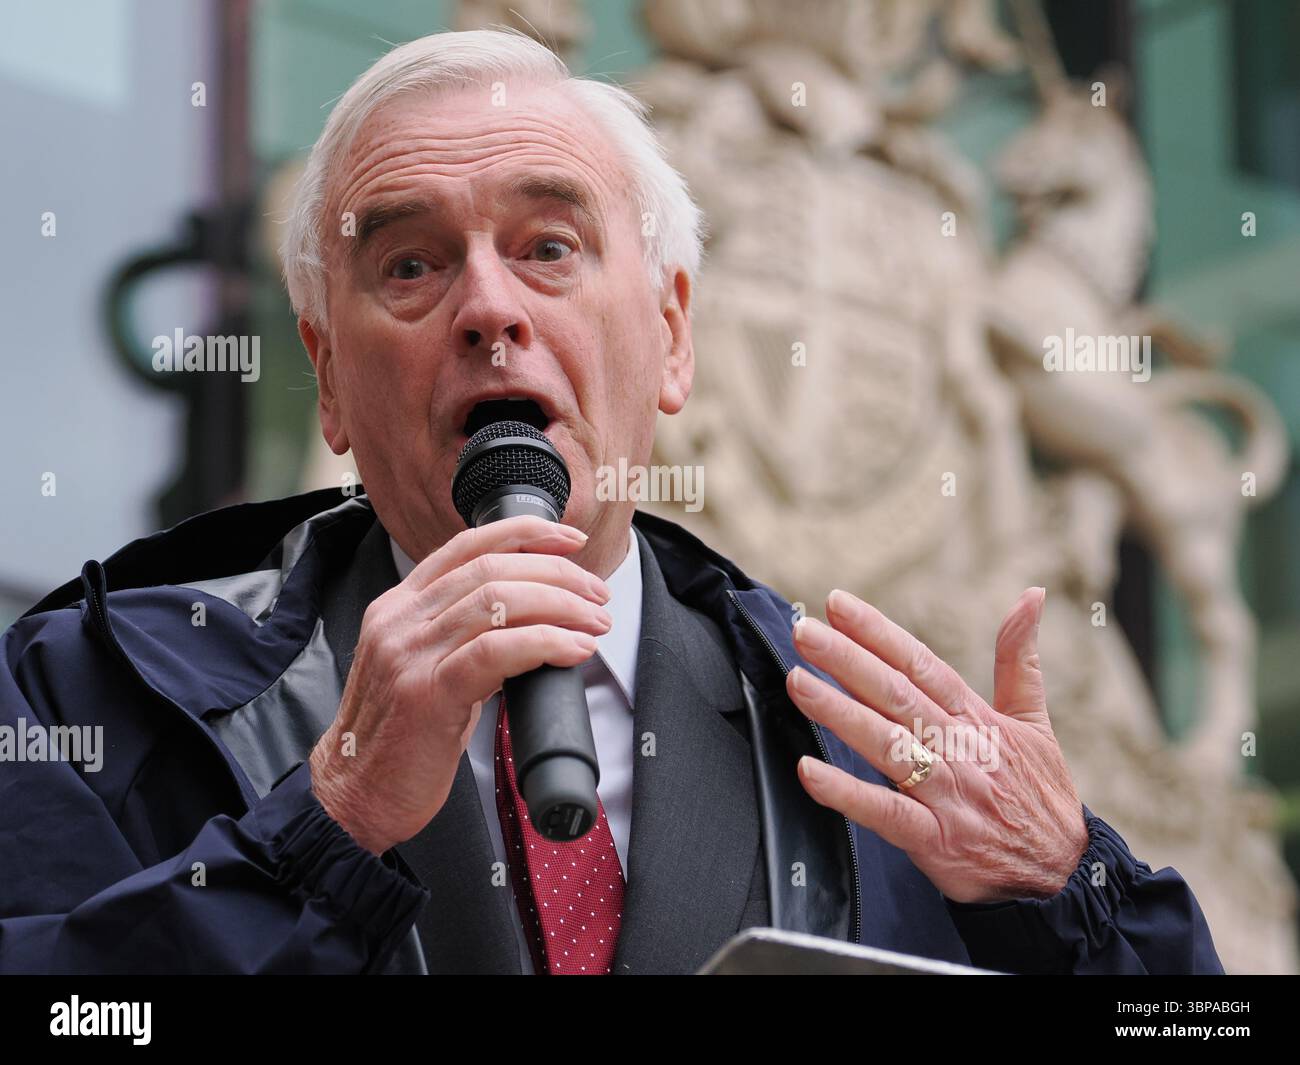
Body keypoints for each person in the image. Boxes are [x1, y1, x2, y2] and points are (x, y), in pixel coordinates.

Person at [0, 30, 1222, 975]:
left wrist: (1073, 896)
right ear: (327, 379)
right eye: (411, 265)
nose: (489, 308)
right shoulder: (92, 695)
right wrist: (326, 823)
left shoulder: (867, 760)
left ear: (673, 337)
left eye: (548, 246)